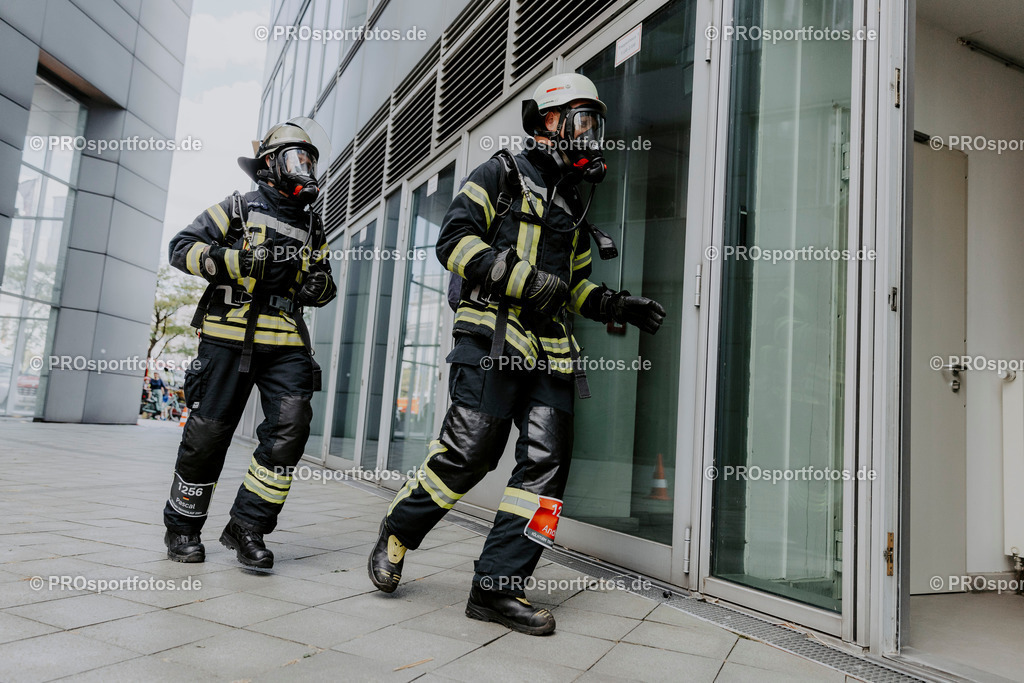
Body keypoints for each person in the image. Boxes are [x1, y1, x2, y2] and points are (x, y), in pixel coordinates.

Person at [368, 74, 666, 635]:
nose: (590, 134)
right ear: (549, 122)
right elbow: (453, 241)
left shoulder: (574, 202)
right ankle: (399, 531)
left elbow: (572, 288)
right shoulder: (499, 174)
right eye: (581, 121)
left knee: (547, 470)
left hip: (551, 351)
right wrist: (524, 280)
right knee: (468, 455)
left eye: (595, 124)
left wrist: (615, 304)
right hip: (491, 339)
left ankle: (497, 588)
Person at [162, 117, 337, 568]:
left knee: (290, 430)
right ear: (271, 164)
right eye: (296, 159)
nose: (304, 168)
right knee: (208, 435)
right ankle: (183, 527)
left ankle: (248, 526)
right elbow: (181, 247)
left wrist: (319, 287)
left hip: (286, 341)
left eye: (309, 161)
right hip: (227, 336)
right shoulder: (237, 207)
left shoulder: (313, 224)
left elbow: (323, 278)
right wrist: (237, 261)